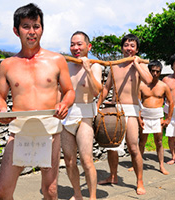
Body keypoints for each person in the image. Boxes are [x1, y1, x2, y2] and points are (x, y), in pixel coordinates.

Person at [0, 3, 75, 200]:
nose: (32, 32)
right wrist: (2, 109)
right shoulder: (7, 64)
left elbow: (69, 90)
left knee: (51, 191)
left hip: (50, 130)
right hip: (19, 129)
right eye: (26, 26)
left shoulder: (56, 60)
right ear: (16, 30)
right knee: (3, 191)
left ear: (42, 29)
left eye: (36, 26)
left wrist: (64, 104)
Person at [97, 34, 152, 195]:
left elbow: (148, 80)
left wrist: (137, 64)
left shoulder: (141, 64)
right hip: (115, 109)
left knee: (133, 147)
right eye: (126, 45)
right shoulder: (114, 65)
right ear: (122, 48)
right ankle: (112, 176)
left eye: (132, 45)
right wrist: (97, 106)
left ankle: (139, 181)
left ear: (137, 49)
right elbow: (107, 88)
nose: (129, 48)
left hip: (132, 109)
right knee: (111, 146)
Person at [61, 31, 102, 200]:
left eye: (79, 44)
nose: (75, 48)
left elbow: (96, 92)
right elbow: (59, 91)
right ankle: (77, 194)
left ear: (88, 46)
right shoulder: (66, 65)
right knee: (69, 161)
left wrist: (88, 70)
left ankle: (92, 197)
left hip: (85, 115)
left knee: (86, 160)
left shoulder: (95, 66)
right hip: (67, 116)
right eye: (72, 44)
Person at [137, 60, 173, 175]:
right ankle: (137, 164)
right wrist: (139, 118)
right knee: (142, 142)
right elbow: (137, 102)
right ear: (149, 71)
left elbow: (171, 102)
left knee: (159, 141)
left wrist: (168, 119)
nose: (155, 74)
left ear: (160, 72)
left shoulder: (163, 86)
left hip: (158, 116)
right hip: (145, 114)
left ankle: (161, 165)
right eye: (153, 71)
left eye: (158, 71)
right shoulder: (142, 85)